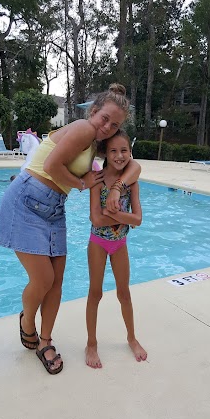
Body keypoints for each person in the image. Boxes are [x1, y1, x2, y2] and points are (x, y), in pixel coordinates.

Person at [0, 84, 141, 375]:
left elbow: (132, 165)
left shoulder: (97, 142)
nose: (108, 127)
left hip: (53, 206)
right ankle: (27, 324)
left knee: (57, 281)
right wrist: (83, 183)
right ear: (94, 111)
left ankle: (45, 341)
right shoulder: (85, 128)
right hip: (28, 200)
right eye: (105, 118)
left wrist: (115, 185)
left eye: (116, 125)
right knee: (44, 278)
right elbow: (50, 163)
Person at [85, 129, 147, 369]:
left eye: (124, 150)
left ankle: (131, 338)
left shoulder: (131, 183)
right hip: (98, 244)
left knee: (124, 293)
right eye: (113, 151)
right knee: (95, 293)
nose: (119, 155)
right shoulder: (98, 180)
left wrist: (114, 213)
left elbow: (139, 219)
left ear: (130, 153)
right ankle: (91, 343)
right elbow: (96, 220)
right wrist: (123, 217)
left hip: (120, 244)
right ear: (106, 154)